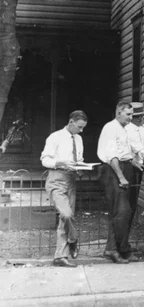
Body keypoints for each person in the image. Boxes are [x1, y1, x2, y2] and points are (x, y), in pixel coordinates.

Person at [41, 110, 88, 268]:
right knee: (66, 214)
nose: (81, 130)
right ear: (71, 122)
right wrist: (61, 163)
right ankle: (73, 239)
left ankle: (60, 256)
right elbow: (45, 160)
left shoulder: (78, 139)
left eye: (83, 127)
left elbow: (78, 158)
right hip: (56, 179)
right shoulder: (55, 137)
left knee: (65, 218)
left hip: (71, 180)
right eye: (79, 127)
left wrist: (81, 168)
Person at [97, 101, 138, 264]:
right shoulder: (110, 128)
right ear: (118, 112)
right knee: (121, 212)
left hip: (124, 167)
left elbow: (125, 153)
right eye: (128, 114)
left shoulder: (123, 129)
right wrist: (121, 177)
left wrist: (134, 163)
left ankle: (120, 248)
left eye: (132, 114)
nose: (131, 117)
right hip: (114, 171)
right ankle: (114, 249)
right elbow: (113, 156)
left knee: (124, 212)